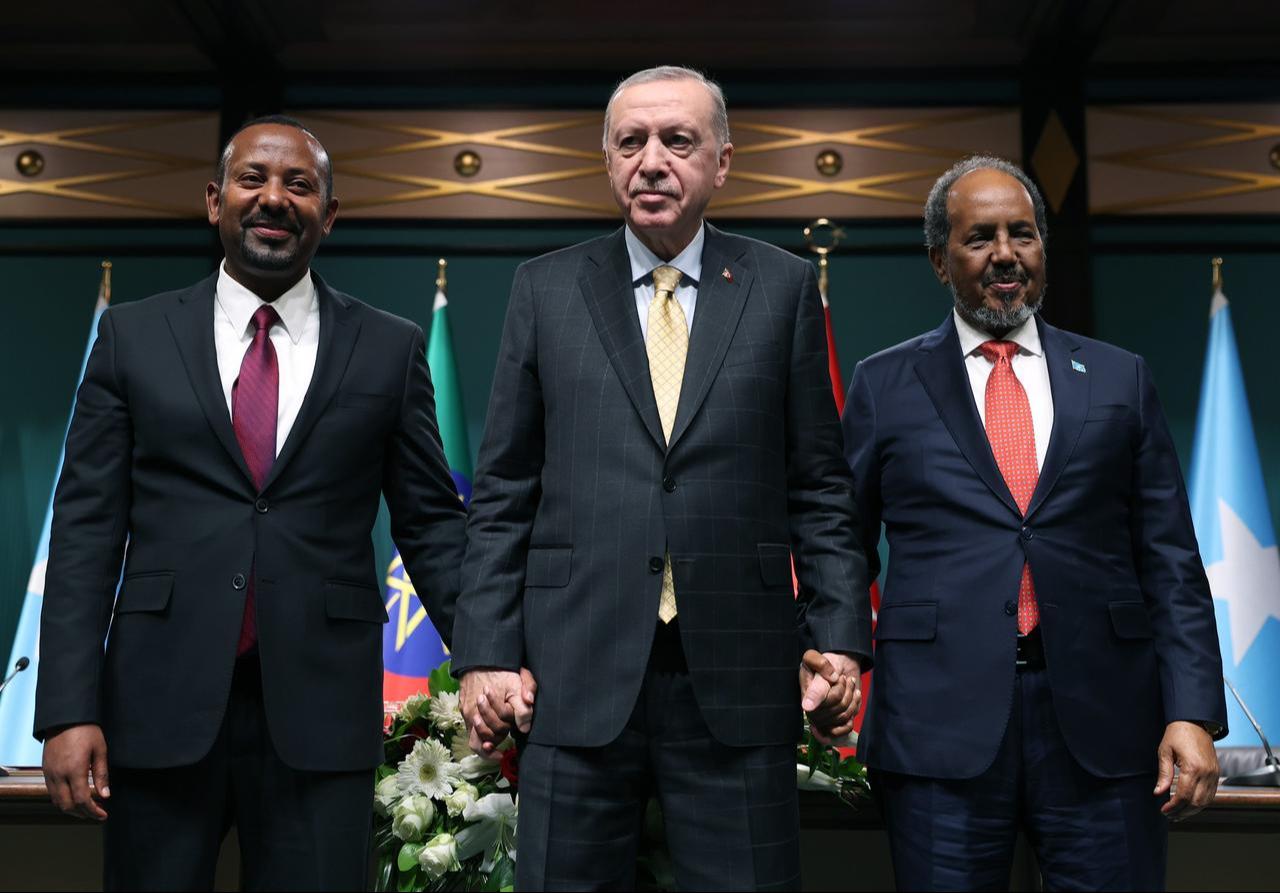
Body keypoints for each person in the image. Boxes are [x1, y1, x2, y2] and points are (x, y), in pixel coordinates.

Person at [450, 66, 872, 891]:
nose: (652, 160)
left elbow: (820, 486)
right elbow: (502, 490)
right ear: (607, 163)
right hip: (571, 672)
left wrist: (841, 637)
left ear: (721, 161)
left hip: (741, 672)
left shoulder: (784, 288)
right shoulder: (544, 288)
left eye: (677, 141)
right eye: (630, 141)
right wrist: (485, 652)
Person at [35, 116, 467, 891]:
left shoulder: (389, 347)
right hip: (156, 711)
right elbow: (84, 531)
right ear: (214, 200)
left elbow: (432, 523)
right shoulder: (131, 338)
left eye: (299, 184)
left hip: (321, 714)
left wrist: (486, 657)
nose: (274, 197)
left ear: (328, 215)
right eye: (253, 179)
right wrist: (68, 710)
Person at [843, 155, 1227, 891]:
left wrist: (1192, 713)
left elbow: (1171, 559)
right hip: (937, 725)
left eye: (1023, 234)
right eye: (980, 237)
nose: (1005, 254)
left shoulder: (1120, 377)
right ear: (938, 259)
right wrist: (835, 658)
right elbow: (842, 546)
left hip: (1106, 724)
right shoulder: (883, 382)